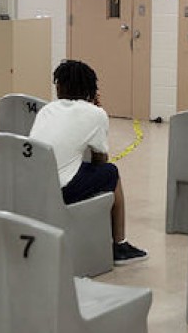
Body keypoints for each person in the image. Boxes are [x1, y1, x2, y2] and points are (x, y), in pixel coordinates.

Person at [29, 60, 148, 265]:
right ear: (91, 89)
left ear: (59, 86)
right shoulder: (95, 113)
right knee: (111, 172)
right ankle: (120, 244)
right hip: (60, 190)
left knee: (82, 168)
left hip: (33, 187)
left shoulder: (47, 110)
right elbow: (100, 160)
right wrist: (97, 112)